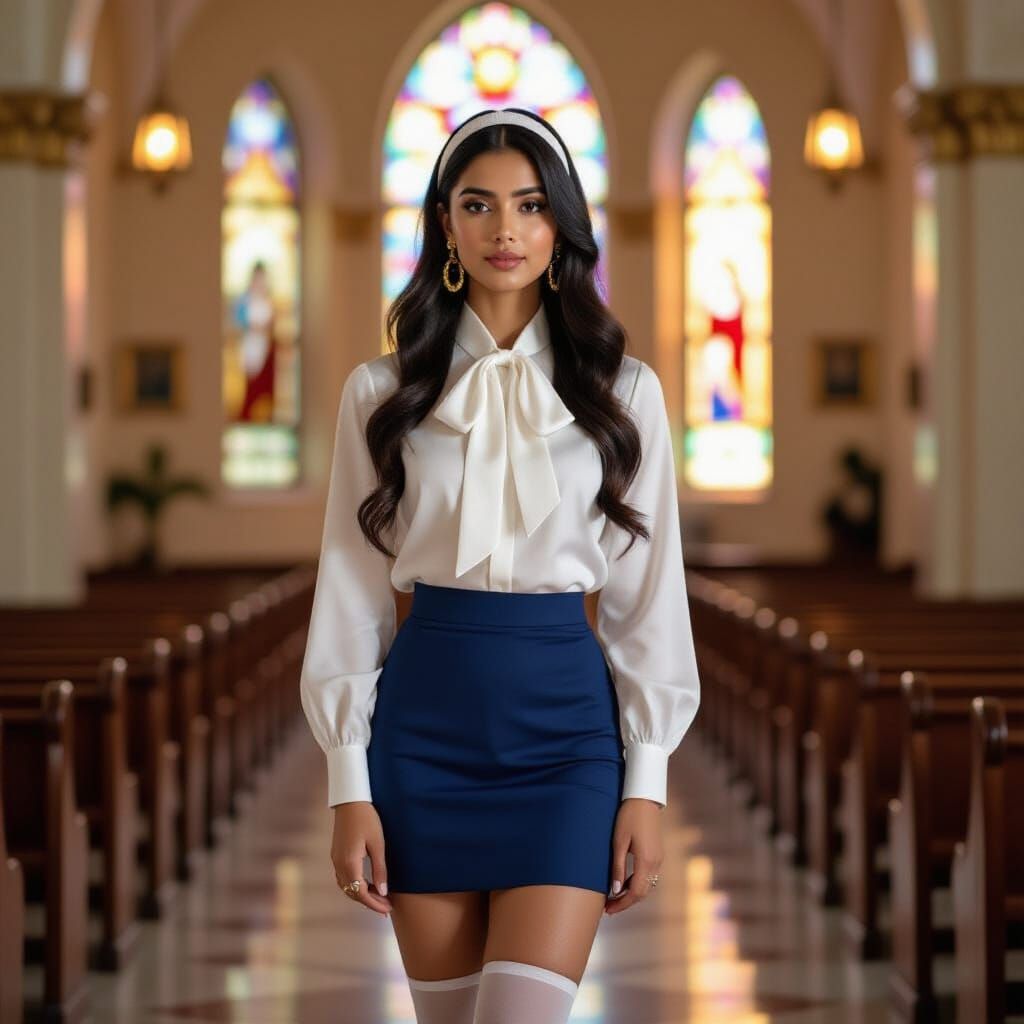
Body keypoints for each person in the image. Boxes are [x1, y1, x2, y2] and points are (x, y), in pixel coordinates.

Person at [299, 107, 701, 1024]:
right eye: (478, 206)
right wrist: (347, 788)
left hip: (566, 740)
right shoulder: (381, 391)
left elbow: (647, 602)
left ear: (560, 224)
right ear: (446, 223)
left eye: (528, 205)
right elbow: (352, 596)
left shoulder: (625, 391)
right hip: (423, 734)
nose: (505, 230)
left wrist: (648, 784)